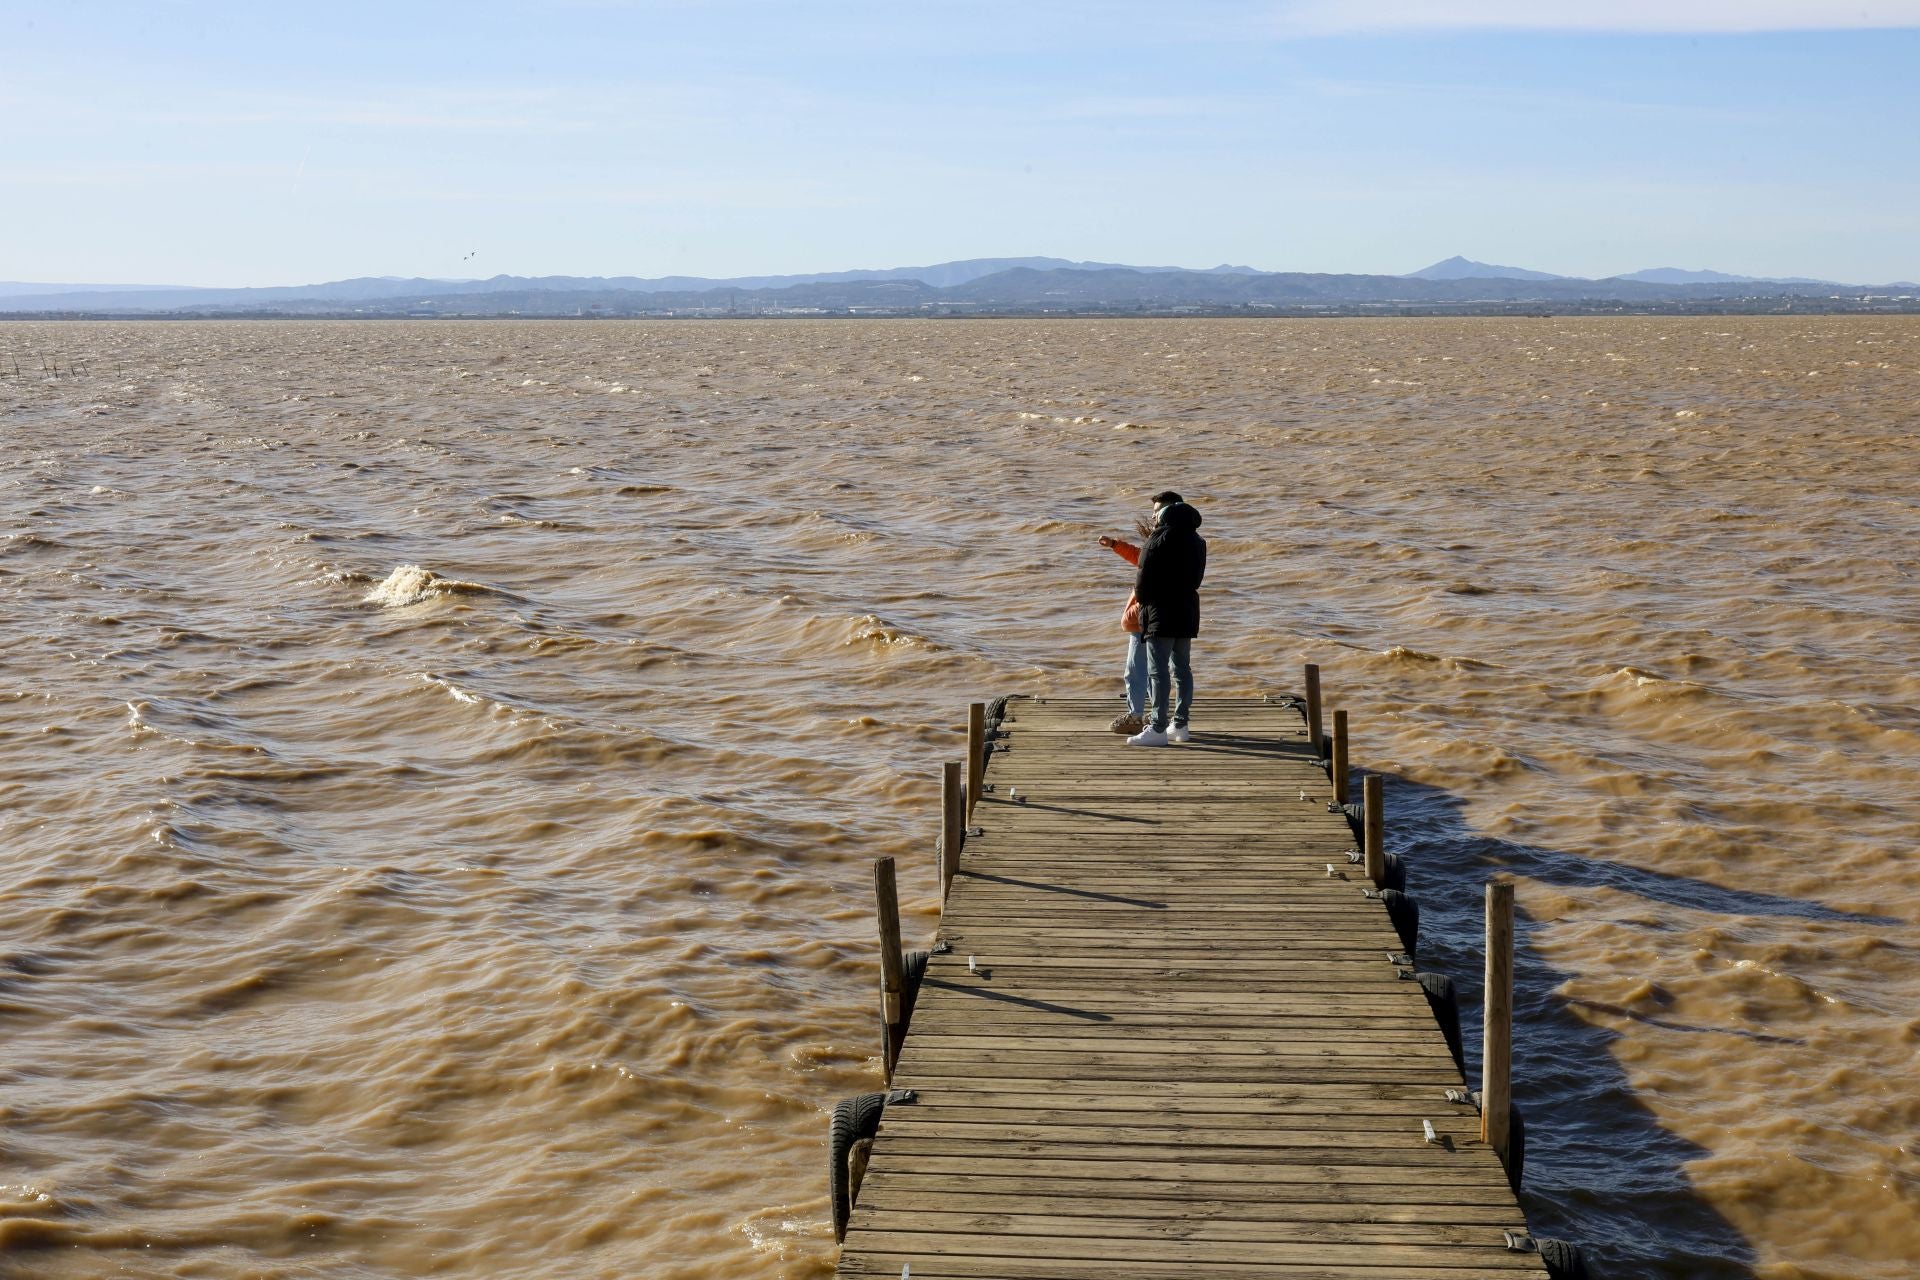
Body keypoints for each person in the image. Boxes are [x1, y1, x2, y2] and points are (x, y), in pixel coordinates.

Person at [1127, 492, 1206, 746]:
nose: (1153, 515)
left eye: (1157, 510)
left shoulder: (1157, 538)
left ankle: (1158, 728)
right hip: (1187, 610)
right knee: (1182, 670)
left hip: (1161, 612)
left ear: (1168, 510)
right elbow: (1196, 579)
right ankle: (1180, 725)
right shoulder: (1197, 539)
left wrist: (1144, 606)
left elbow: (1143, 578)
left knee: (1157, 672)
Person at [1095, 501, 1166, 734]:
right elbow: (1138, 557)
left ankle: (1137, 715)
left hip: (1144, 621)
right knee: (1150, 670)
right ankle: (1153, 715)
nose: (1154, 517)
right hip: (1152, 619)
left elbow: (1142, 563)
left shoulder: (1160, 549)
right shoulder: (1168, 546)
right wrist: (1115, 545)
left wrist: (1134, 612)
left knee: (1135, 670)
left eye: (1157, 513)